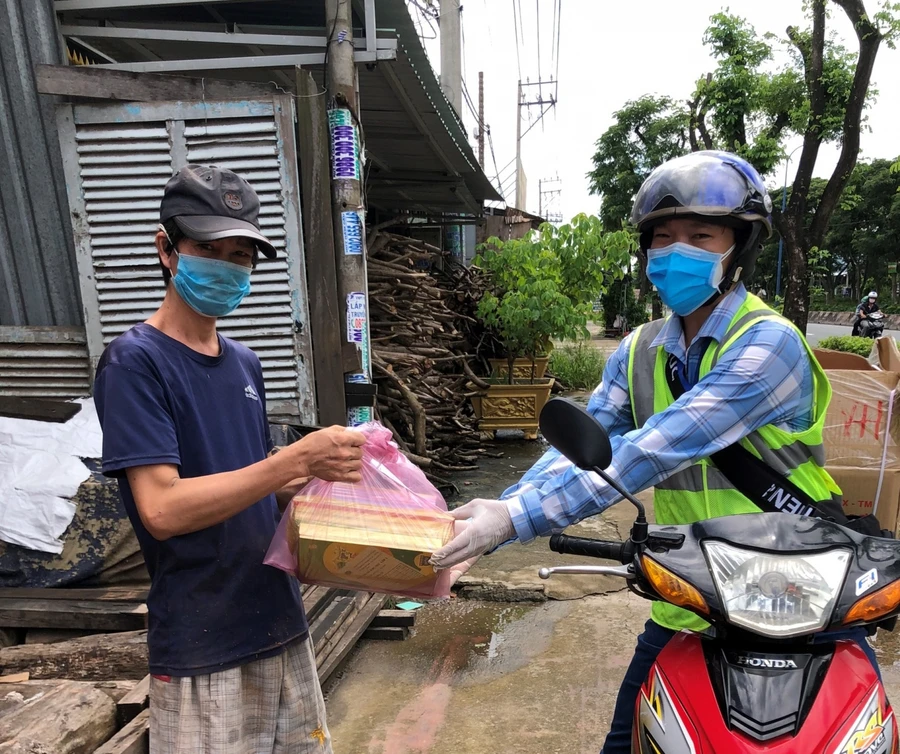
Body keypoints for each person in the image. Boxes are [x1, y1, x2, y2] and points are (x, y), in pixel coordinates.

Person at [429, 150, 881, 754]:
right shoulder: (639, 347)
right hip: (689, 592)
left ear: (736, 247)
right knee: (631, 743)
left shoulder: (768, 343)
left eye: (700, 235)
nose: (676, 251)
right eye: (662, 238)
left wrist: (517, 522)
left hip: (795, 595)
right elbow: (584, 440)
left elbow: (656, 446)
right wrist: (500, 510)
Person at [94, 165, 366, 754]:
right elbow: (162, 509)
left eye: (241, 255)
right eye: (208, 249)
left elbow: (249, 481)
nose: (226, 267)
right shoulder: (134, 363)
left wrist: (317, 484)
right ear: (166, 249)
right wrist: (290, 461)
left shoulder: (245, 363)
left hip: (278, 621)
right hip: (201, 642)